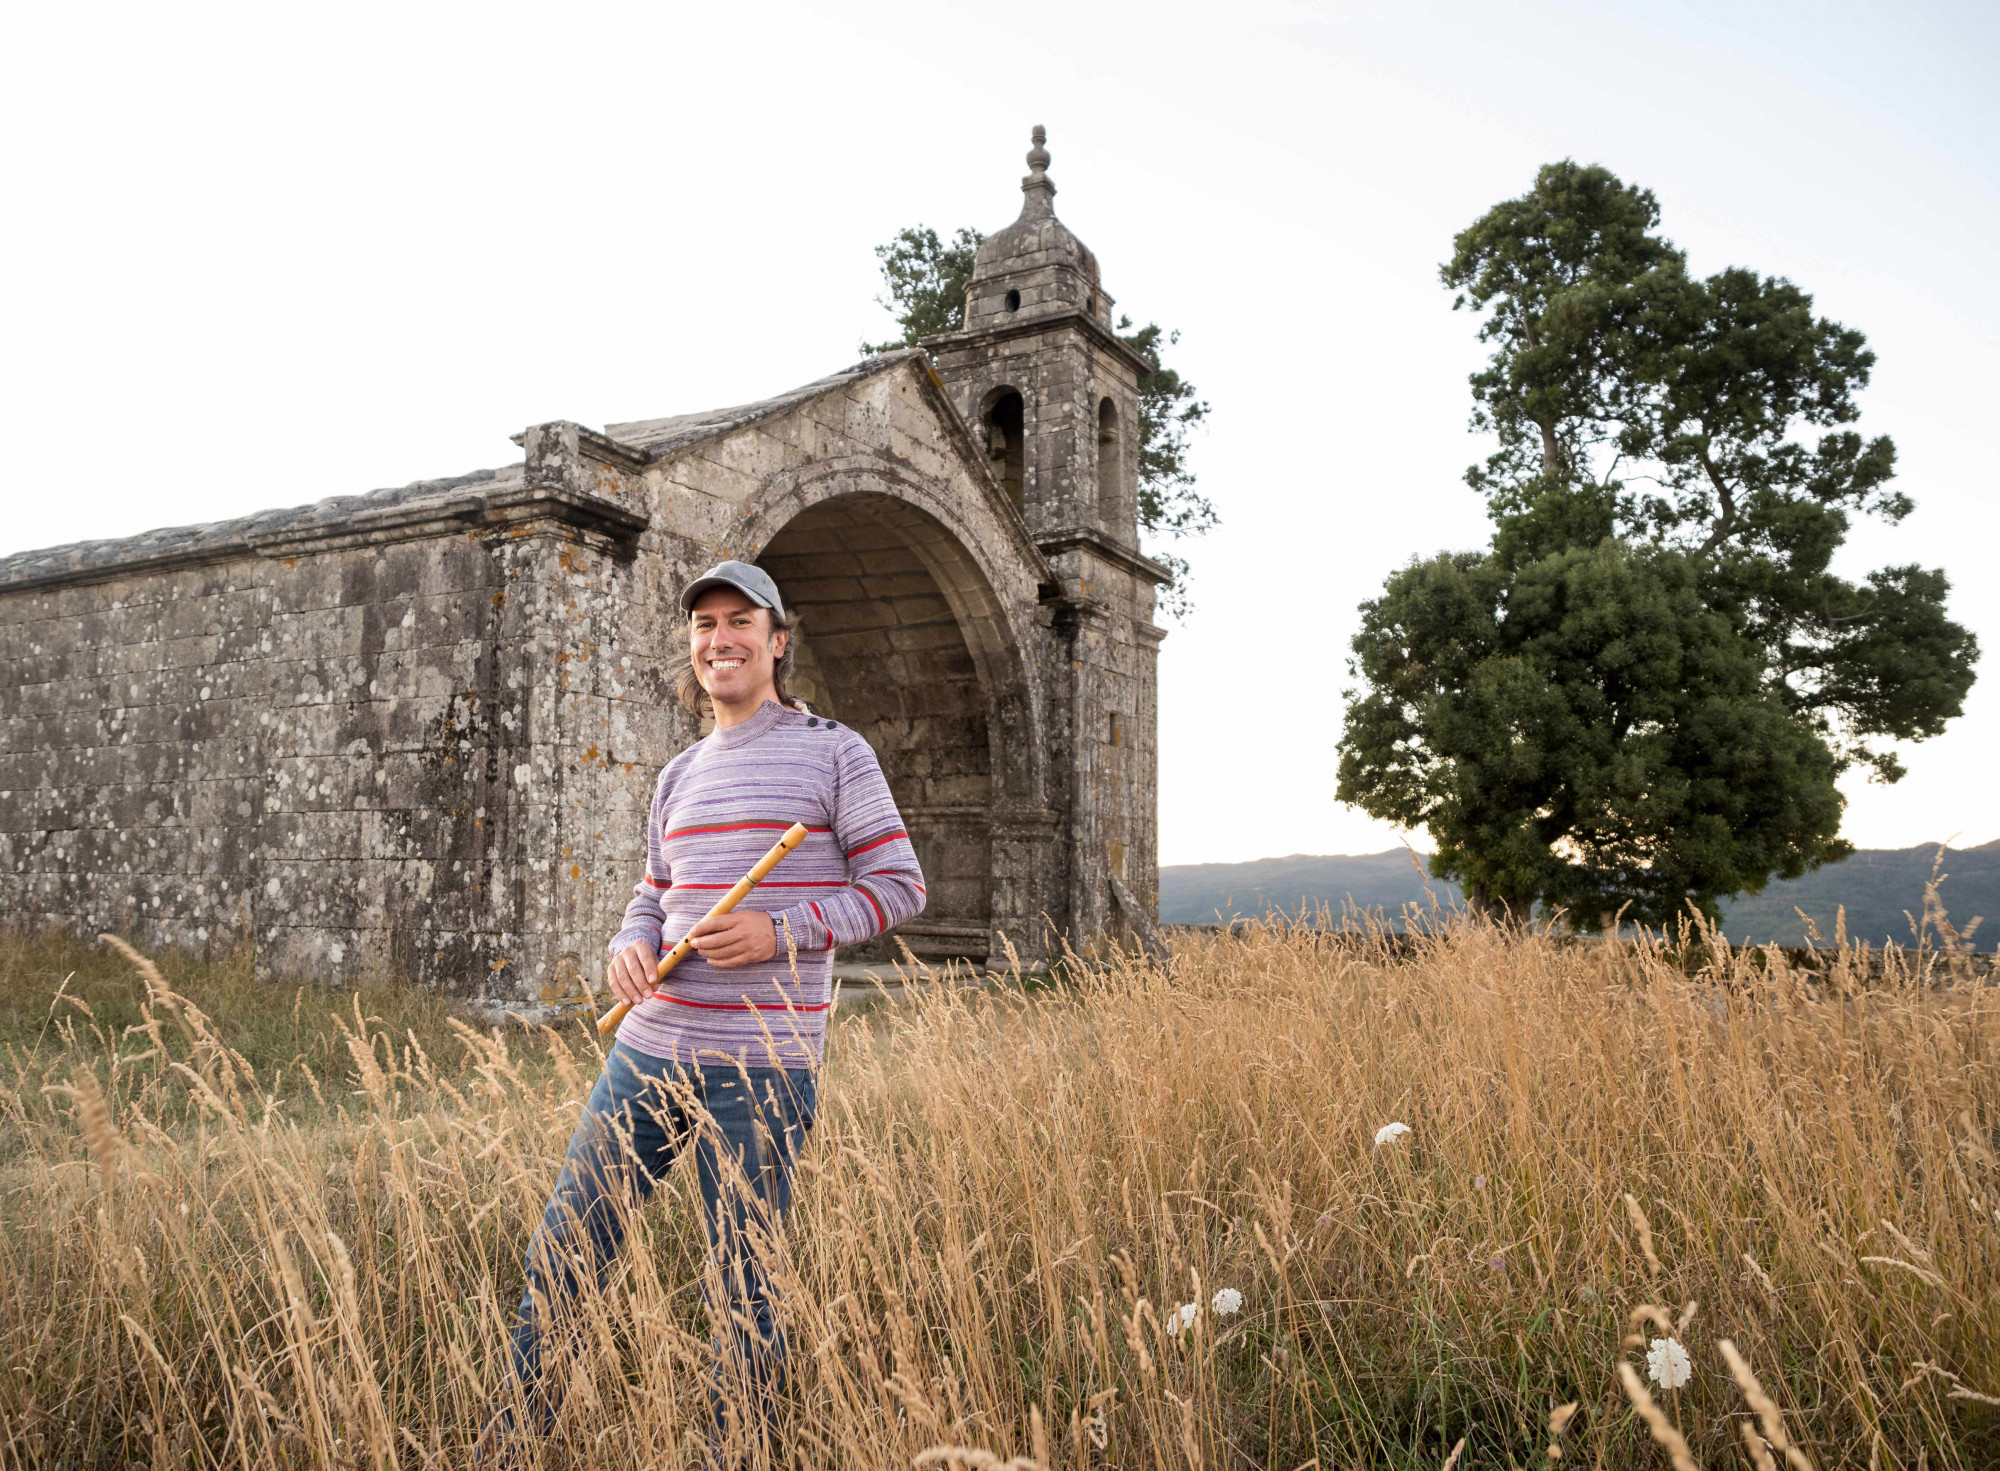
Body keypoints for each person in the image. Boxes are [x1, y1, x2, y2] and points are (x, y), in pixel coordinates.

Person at [480, 560, 926, 1462]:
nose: (719, 639)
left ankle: (738, 1452)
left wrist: (780, 930)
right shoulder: (678, 773)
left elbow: (898, 885)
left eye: (739, 622)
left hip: (763, 1066)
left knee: (744, 1287)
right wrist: (628, 943)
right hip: (647, 1052)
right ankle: (510, 1446)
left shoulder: (836, 751)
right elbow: (654, 892)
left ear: (777, 641)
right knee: (566, 1251)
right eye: (704, 625)